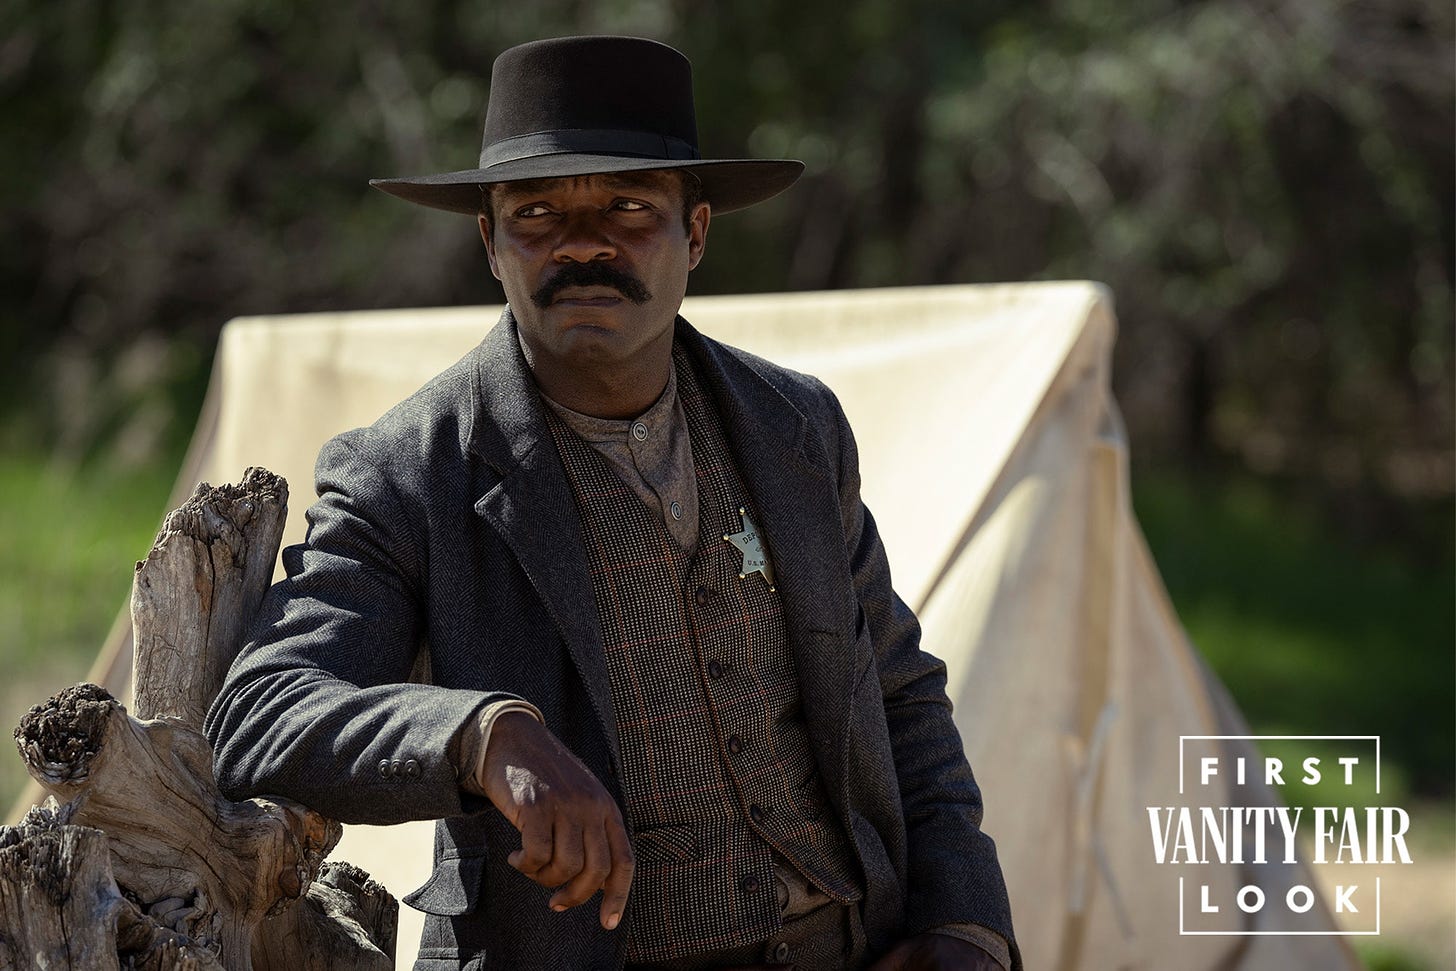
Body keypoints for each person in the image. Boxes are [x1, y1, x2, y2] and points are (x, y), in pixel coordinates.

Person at [205, 35, 1018, 971]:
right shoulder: (410, 471)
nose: (584, 243)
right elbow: (262, 710)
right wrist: (481, 736)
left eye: (630, 206)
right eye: (538, 212)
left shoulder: (798, 427)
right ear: (491, 242)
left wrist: (967, 926)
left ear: (697, 234)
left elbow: (898, 691)